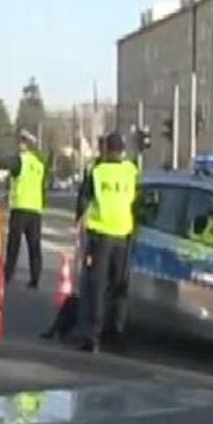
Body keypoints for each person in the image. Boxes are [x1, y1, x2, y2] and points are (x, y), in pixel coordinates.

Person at [72, 132, 138, 352]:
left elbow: (83, 199)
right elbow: (139, 201)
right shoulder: (132, 171)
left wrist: (78, 223)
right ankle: (117, 332)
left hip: (101, 237)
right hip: (124, 236)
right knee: (120, 286)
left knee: (97, 287)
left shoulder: (97, 171)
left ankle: (94, 336)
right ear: (122, 150)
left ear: (107, 149)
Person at [40, 137, 108, 340]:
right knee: (89, 283)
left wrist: (81, 220)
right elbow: (84, 198)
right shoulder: (99, 168)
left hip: (101, 233)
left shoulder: (101, 170)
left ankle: (86, 326)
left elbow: (85, 197)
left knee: (93, 284)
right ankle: (80, 326)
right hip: (99, 232)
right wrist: (80, 222)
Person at [4, 130, 48, 288]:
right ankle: (35, 278)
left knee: (13, 245)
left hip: (20, 207)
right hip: (35, 210)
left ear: (24, 144)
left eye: (21, 142)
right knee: (34, 246)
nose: (19, 145)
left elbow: (8, 171)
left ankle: (8, 275)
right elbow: (43, 186)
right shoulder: (39, 164)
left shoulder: (19, 160)